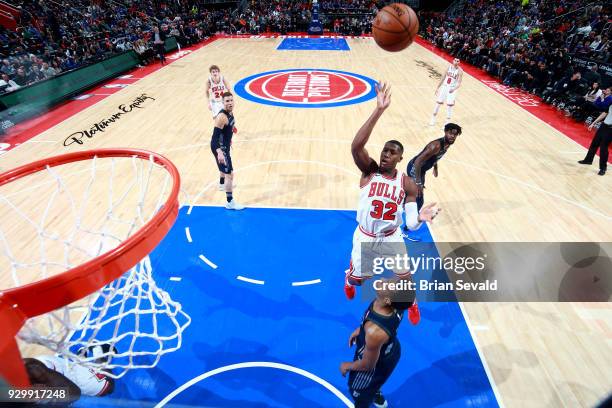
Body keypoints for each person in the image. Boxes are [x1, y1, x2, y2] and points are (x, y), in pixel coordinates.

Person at [344, 82, 439, 322]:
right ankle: (349, 277)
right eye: (384, 150)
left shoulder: (408, 184)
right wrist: (379, 110)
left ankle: (412, 302)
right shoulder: (369, 171)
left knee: (405, 277)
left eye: (392, 152)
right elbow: (356, 146)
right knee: (359, 280)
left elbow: (410, 224)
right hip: (365, 235)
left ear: (400, 158)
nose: (386, 154)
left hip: (391, 236)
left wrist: (420, 218)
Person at [340, 277, 414, 408]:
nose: (383, 280)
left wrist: (347, 365)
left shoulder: (375, 332)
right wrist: (360, 330)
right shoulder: (394, 302)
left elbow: (367, 366)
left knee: (358, 392)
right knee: (375, 383)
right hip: (390, 349)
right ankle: (375, 391)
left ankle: (369, 396)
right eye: (390, 280)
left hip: (374, 364)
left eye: (388, 285)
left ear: (387, 300)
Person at [25, 343, 117, 402]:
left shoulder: (34, 370)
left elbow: (74, 393)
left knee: (108, 387)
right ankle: (81, 357)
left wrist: (48, 393)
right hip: (58, 371)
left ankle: (98, 350)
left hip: (68, 378)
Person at [406, 123, 462, 215]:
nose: (452, 136)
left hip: (421, 169)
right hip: (415, 169)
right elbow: (417, 162)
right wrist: (419, 183)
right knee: (419, 197)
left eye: (455, 134)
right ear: (445, 132)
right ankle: (412, 220)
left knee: (414, 194)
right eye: (450, 133)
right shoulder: (435, 146)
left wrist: (435, 166)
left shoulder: (448, 143)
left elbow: (436, 156)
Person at [211, 91, 244, 209]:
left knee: (223, 169)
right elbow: (214, 138)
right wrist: (219, 152)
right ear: (222, 102)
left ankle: (221, 184)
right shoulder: (221, 117)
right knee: (229, 174)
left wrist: (232, 129)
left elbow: (228, 126)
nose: (230, 103)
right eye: (227, 101)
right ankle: (230, 202)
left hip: (224, 145)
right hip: (220, 147)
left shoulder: (230, 112)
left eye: (231, 100)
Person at [578, 102, 611, 176]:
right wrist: (593, 123)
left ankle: (603, 168)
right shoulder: (611, 103)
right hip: (604, 126)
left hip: (611, 129)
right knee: (594, 143)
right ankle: (588, 160)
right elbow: (604, 113)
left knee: (603, 148)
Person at [430, 58, 463, 126]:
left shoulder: (460, 71)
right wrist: (438, 87)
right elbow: (443, 78)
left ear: (459, 62)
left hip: (452, 89)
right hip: (445, 87)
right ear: (453, 61)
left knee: (449, 106)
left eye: (457, 61)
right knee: (438, 103)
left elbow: (459, 83)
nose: (456, 62)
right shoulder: (448, 67)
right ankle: (433, 118)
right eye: (455, 60)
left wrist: (454, 89)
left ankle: (447, 122)